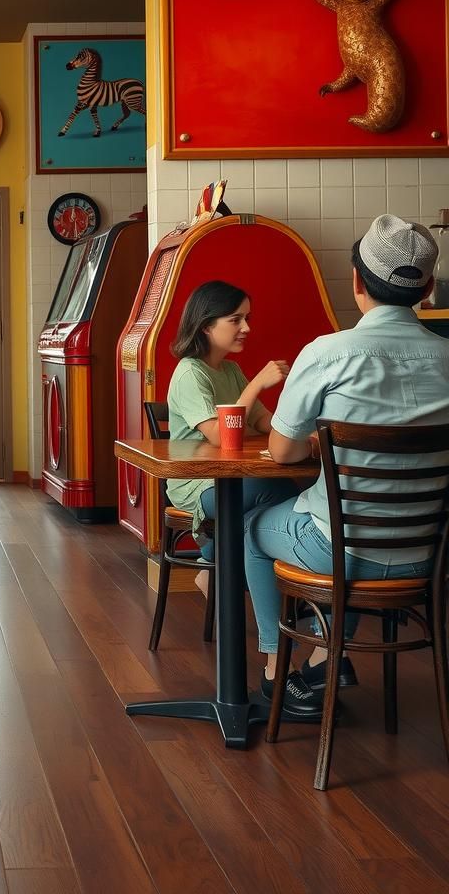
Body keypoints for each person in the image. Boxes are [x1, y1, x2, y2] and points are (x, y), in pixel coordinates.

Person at [246, 214, 449, 714]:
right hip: (427, 558)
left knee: (251, 526)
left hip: (340, 551)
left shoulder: (328, 354)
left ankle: (280, 672)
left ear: (357, 281)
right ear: (427, 288)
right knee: (345, 533)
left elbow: (283, 452)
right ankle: (323, 663)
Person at [167, 281, 299, 597]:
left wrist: (300, 430)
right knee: (275, 490)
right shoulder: (190, 373)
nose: (246, 328)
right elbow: (221, 436)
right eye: (236, 319)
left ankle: (211, 565)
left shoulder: (230, 369)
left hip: (231, 477)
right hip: (197, 485)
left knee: (272, 501)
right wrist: (256, 384)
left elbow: (261, 420)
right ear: (206, 325)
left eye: (247, 318)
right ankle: (216, 564)